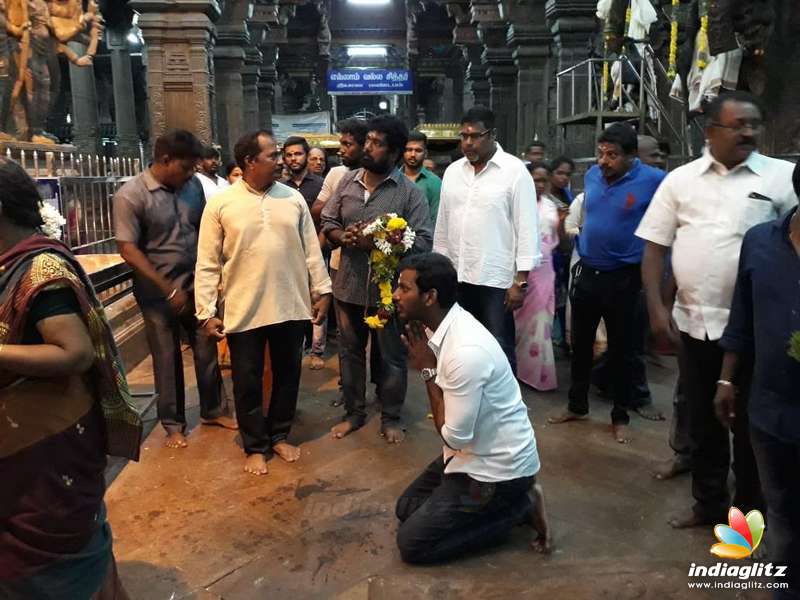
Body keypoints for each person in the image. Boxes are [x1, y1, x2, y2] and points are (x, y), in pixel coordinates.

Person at [637, 91, 796, 528]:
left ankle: (749, 511)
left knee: (750, 426)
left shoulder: (783, 179)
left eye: (754, 124)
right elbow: (654, 247)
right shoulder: (680, 181)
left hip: (758, 332)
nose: (749, 131)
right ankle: (707, 505)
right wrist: (656, 308)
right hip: (694, 324)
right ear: (710, 132)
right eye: (738, 124)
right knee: (704, 423)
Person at [0, 158, 141, 598]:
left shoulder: (42, 271)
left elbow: (74, 351)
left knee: (48, 548)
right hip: (26, 438)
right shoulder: (12, 262)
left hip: (49, 437)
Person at [393, 252, 551, 563]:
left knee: (412, 545)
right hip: (467, 457)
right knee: (406, 509)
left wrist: (428, 372)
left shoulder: (466, 352)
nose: (396, 295)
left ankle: (520, 506)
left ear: (430, 297)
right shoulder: (440, 326)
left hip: (496, 471)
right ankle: (501, 506)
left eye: (404, 288)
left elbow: (454, 437)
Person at [195, 130, 331, 476]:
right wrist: (206, 312)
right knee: (247, 378)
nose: (281, 160)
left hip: (291, 304)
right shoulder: (222, 203)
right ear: (249, 161)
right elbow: (207, 262)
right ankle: (255, 444)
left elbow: (311, 250)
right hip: (244, 307)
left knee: (288, 375)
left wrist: (323, 291)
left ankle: (280, 434)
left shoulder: (292, 199)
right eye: (272, 155)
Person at [114, 130, 234, 449]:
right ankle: (173, 424)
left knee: (206, 346)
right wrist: (167, 289)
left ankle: (213, 409)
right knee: (166, 358)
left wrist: (216, 275)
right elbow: (128, 248)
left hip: (196, 286)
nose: (192, 173)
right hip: (157, 293)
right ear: (165, 160)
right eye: (186, 167)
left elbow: (205, 230)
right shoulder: (131, 194)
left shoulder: (192, 186)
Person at [548, 123, 666, 444]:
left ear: (631, 156)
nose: (603, 161)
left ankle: (620, 415)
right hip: (588, 274)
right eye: (601, 153)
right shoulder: (592, 177)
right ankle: (577, 405)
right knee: (581, 347)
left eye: (612, 155)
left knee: (623, 351)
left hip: (624, 279)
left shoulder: (654, 181)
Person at [715, 162, 800, 598]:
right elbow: (742, 318)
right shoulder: (761, 244)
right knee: (782, 513)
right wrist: (727, 380)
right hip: (770, 410)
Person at [321, 115, 433, 443]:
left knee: (391, 357)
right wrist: (344, 237)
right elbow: (328, 218)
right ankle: (354, 413)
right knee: (350, 352)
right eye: (367, 141)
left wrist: (383, 243)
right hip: (349, 285)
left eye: (377, 143)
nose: (368, 148)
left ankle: (391, 417)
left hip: (389, 294)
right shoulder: (348, 181)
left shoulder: (409, 193)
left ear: (395, 152)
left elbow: (424, 240)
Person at [434, 106, 540, 374]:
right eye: (464, 136)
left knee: (498, 346)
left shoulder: (515, 171)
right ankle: (468, 403)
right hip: (457, 276)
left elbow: (527, 228)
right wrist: (440, 272)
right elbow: (443, 225)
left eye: (475, 136)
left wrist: (521, 281)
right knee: (461, 345)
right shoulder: (453, 172)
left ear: (492, 135)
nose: (467, 143)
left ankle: (504, 412)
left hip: (496, 280)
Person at [514, 162, 559, 391]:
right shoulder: (517, 204)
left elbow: (555, 237)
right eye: (535, 180)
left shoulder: (551, 206)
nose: (539, 185)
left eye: (543, 181)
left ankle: (537, 374)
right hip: (522, 270)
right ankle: (516, 371)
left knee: (541, 320)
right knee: (519, 322)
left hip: (545, 270)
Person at [548, 156, 575, 350]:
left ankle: (566, 340)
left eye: (568, 174)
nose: (564, 178)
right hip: (550, 255)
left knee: (565, 299)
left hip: (567, 253)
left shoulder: (567, 195)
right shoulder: (545, 198)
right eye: (560, 173)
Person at [402, 131, 443, 228]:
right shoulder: (393, 179)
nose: (412, 154)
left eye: (418, 150)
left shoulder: (434, 182)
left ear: (425, 153)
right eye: (409, 150)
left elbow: (435, 219)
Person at [282, 136, 324, 210]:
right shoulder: (280, 186)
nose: (293, 158)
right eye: (289, 155)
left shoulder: (321, 185)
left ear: (307, 156)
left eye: (298, 154)